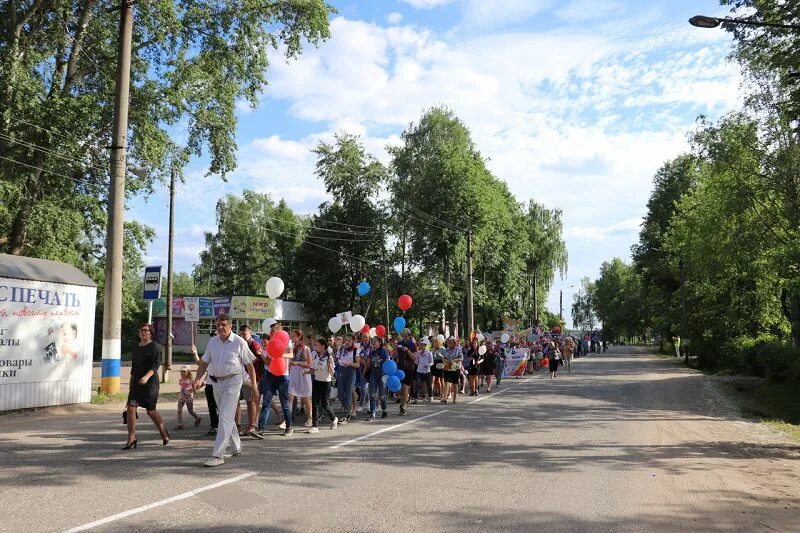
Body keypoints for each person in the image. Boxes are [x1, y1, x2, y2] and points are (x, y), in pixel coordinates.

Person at [193, 314, 257, 467]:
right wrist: (197, 378)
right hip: (216, 382)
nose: (220, 328)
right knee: (225, 415)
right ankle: (236, 447)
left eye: (223, 325)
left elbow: (250, 366)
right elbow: (203, 363)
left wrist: (254, 386)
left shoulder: (239, 342)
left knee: (225, 416)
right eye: (217, 325)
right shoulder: (213, 342)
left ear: (230, 326)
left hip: (234, 381)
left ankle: (218, 455)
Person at [123, 323, 170, 449]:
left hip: (150, 382)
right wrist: (131, 382)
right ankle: (131, 438)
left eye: (146, 330)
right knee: (131, 408)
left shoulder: (153, 346)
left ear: (150, 333)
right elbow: (134, 366)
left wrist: (146, 376)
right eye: (141, 330)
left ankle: (164, 433)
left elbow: (156, 364)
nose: (143, 332)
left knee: (150, 411)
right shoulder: (136, 347)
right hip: (136, 382)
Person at [257, 328, 294, 437]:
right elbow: (268, 361)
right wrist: (261, 355)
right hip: (270, 374)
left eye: (274, 330)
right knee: (266, 402)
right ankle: (261, 428)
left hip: (282, 375)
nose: (272, 332)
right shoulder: (271, 343)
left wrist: (281, 355)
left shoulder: (287, 341)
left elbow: (291, 355)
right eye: (271, 330)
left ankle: (289, 426)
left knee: (284, 403)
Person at [237, 324, 263, 439]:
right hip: (241, 376)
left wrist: (257, 378)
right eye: (241, 333)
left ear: (250, 332)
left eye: (245, 333)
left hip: (252, 377)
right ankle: (242, 425)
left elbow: (259, 359)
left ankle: (252, 425)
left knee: (251, 401)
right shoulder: (240, 343)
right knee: (242, 401)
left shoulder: (254, 344)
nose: (243, 335)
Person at [309, 337, 338, 433]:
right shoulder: (315, 356)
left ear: (323, 346)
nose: (315, 347)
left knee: (325, 405)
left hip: (326, 383)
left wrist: (330, 367)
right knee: (315, 404)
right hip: (317, 381)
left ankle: (334, 419)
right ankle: (315, 426)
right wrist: (306, 372)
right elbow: (313, 370)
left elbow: (332, 372)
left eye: (317, 345)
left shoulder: (329, 357)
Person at [288, 330, 314, 428]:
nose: (292, 338)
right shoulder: (292, 348)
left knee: (305, 398)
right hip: (293, 375)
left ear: (299, 337)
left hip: (303, 375)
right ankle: (287, 419)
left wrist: (297, 363)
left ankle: (310, 418)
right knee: (290, 397)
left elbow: (309, 365)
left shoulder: (306, 348)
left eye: (294, 336)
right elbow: (290, 360)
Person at [364, 336, 390, 421]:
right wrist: (364, 372)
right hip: (373, 374)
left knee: (382, 395)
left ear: (380, 342)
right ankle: (372, 413)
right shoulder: (371, 352)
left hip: (382, 374)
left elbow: (388, 362)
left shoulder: (384, 351)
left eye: (375, 341)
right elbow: (368, 363)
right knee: (372, 394)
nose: (374, 343)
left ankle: (384, 409)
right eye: (373, 341)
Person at [336, 334, 360, 423]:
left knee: (349, 392)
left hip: (351, 373)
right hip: (342, 372)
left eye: (349, 340)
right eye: (346, 340)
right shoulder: (341, 349)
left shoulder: (355, 350)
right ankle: (347, 407)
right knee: (340, 394)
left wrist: (349, 363)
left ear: (353, 341)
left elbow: (358, 365)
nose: (347, 342)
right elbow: (337, 358)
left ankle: (346, 414)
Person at [396, 328, 416, 415]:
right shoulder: (399, 343)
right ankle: (406, 399)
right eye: (402, 335)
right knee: (400, 389)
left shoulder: (412, 344)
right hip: (399, 368)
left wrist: (407, 351)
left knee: (405, 387)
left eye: (406, 335)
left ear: (409, 336)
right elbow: (396, 356)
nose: (404, 337)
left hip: (408, 368)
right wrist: (394, 350)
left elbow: (414, 358)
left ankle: (403, 407)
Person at [176, 365, 201, 430]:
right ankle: (180, 424)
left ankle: (197, 418)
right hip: (181, 397)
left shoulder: (191, 380)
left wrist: (194, 392)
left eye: (184, 371)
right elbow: (182, 387)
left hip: (189, 397)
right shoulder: (180, 380)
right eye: (181, 371)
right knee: (179, 410)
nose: (182, 373)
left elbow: (194, 388)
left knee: (190, 411)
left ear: (188, 372)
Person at [442, 337, 462, 404]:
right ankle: (444, 398)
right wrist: (445, 360)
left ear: (454, 342)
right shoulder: (446, 349)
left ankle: (455, 398)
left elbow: (461, 358)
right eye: (448, 342)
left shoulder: (458, 349)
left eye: (450, 342)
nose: (449, 343)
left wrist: (454, 360)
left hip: (455, 367)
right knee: (446, 382)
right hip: (447, 367)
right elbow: (443, 358)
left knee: (454, 383)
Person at [413, 339, 433, 403]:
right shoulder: (418, 352)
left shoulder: (429, 353)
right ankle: (416, 398)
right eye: (420, 344)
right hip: (419, 370)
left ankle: (430, 397)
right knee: (417, 385)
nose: (421, 346)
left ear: (425, 345)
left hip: (427, 371)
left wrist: (428, 365)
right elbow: (416, 363)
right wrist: (415, 358)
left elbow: (432, 362)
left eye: (422, 345)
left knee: (429, 385)